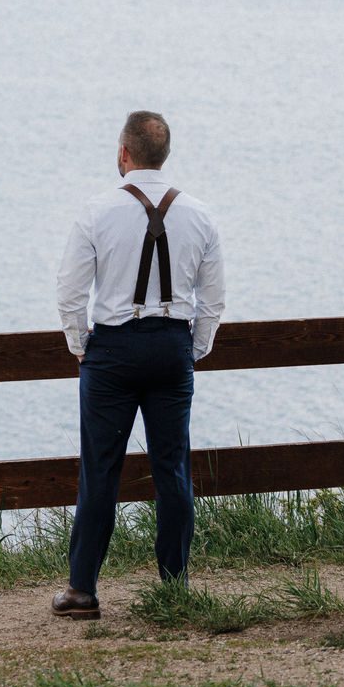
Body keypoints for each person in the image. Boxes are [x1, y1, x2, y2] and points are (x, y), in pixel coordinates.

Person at [49, 110, 226, 619]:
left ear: (124, 153)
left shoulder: (96, 211)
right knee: (172, 469)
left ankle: (82, 591)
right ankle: (174, 588)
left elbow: (70, 290)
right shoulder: (200, 214)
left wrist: (80, 343)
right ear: (164, 155)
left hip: (113, 353)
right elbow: (213, 300)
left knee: (100, 470)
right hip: (171, 347)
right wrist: (192, 349)